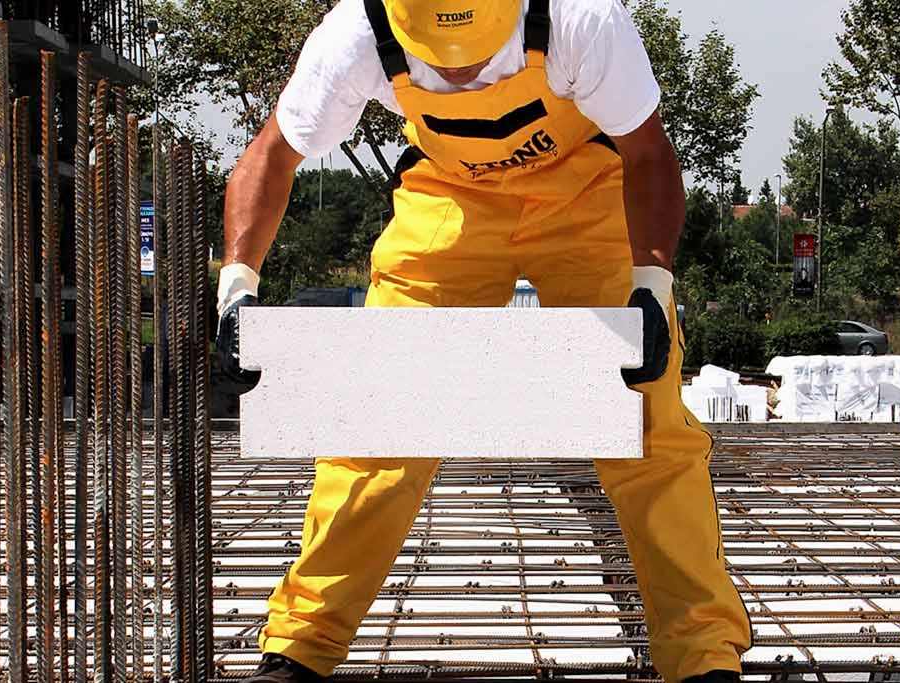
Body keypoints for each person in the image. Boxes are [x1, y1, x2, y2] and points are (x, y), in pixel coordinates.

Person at [214, 0, 753, 680]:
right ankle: (299, 647)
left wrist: (650, 288)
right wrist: (237, 287)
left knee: (643, 415)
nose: (461, 75)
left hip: (586, 196)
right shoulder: (357, 31)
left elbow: (648, 153)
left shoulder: (581, 19)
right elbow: (273, 153)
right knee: (376, 418)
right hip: (451, 198)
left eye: (476, 57)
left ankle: (703, 654)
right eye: (440, 62)